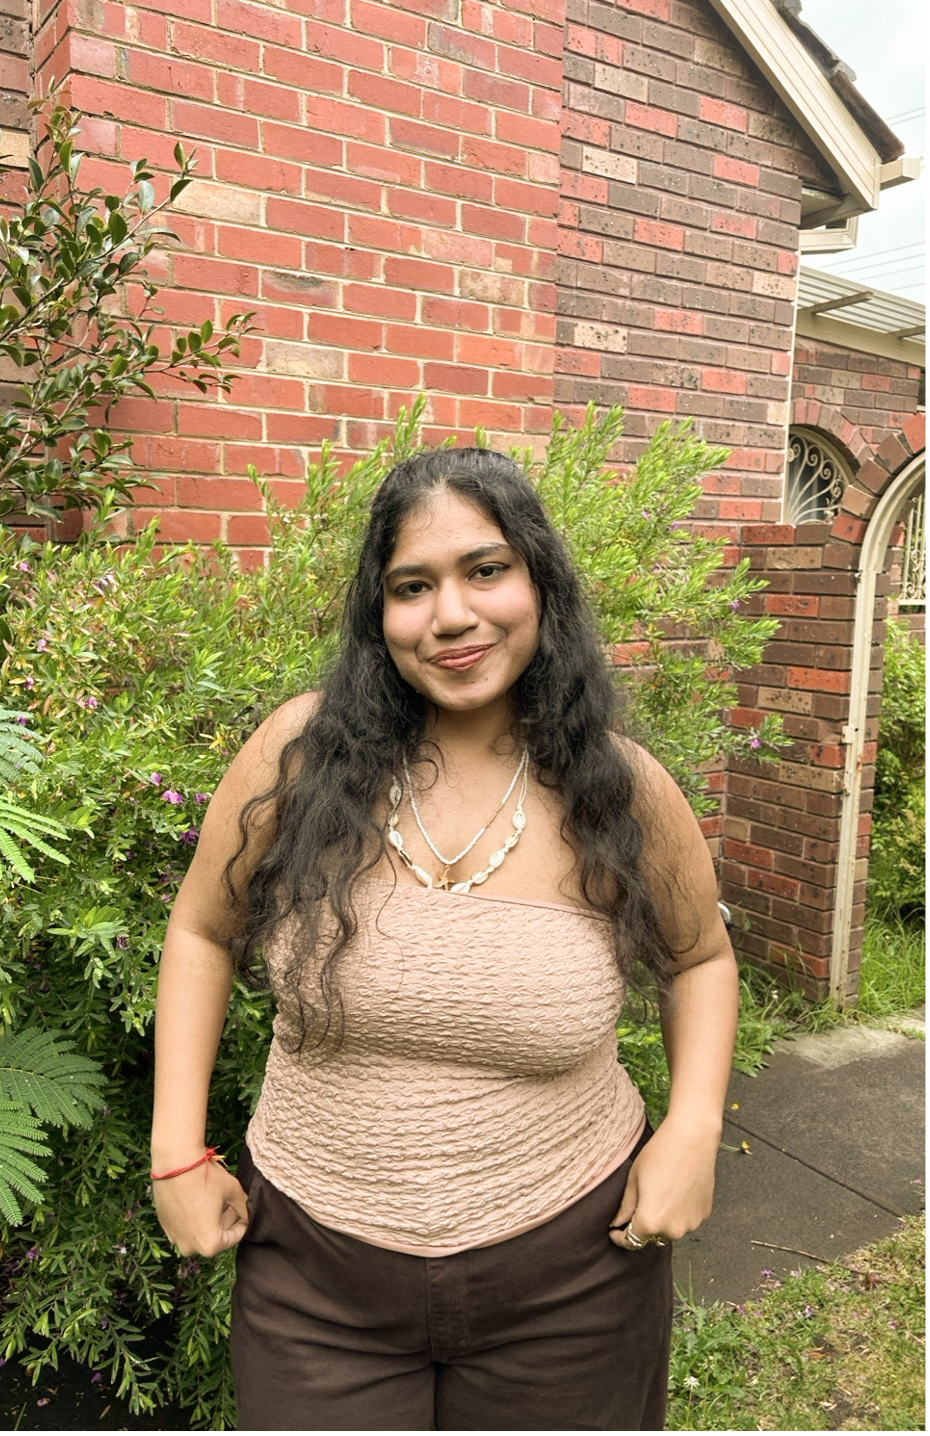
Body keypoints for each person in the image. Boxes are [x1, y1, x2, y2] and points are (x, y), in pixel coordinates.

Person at [151, 447, 739, 1430]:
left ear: (538, 581)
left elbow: (701, 957)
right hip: (314, 1280)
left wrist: (693, 1127)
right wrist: (176, 1147)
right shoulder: (300, 756)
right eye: (411, 586)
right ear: (379, 615)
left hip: (576, 1275)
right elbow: (203, 930)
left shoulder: (617, 786)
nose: (453, 614)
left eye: (485, 569)